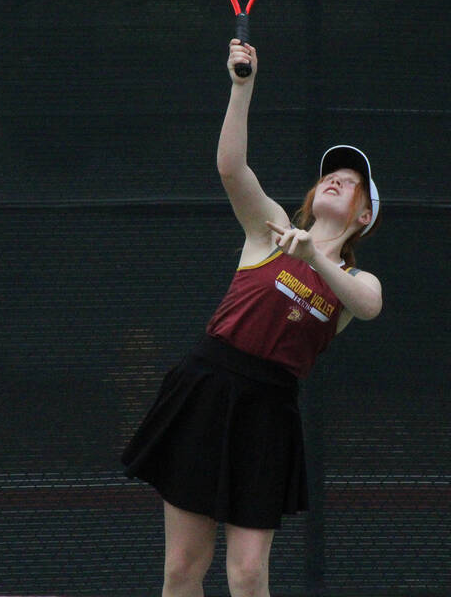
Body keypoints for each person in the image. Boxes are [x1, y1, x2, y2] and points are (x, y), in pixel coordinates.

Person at [121, 39, 384, 597]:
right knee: (182, 568)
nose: (335, 178)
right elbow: (231, 167)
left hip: (269, 410)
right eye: (328, 175)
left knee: (246, 573)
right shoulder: (267, 229)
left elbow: (366, 306)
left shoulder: (357, 283)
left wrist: (313, 256)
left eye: (350, 179)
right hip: (208, 388)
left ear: (364, 215)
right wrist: (242, 87)